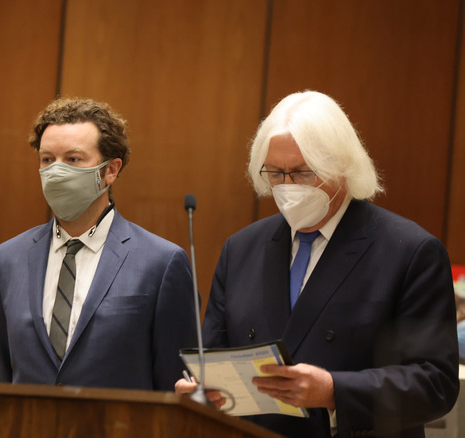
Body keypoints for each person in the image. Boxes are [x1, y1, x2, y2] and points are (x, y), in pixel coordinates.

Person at [176, 90, 459, 437]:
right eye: (275, 173)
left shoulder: (410, 251)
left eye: (302, 172)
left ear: (341, 166)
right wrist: (199, 389)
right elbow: (214, 358)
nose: (287, 186)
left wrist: (333, 391)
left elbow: (435, 384)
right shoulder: (241, 249)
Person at [0, 97, 198, 391]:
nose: (55, 172)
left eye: (73, 159)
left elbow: (174, 386)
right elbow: (2, 373)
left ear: (110, 170)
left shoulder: (161, 263)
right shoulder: (5, 261)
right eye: (47, 160)